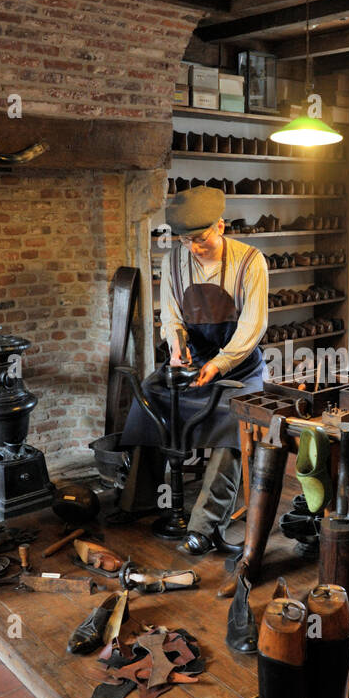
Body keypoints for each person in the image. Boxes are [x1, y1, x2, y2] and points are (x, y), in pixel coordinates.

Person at [118, 186, 269, 555]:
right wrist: (176, 347)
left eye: (200, 239)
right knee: (149, 400)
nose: (193, 248)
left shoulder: (250, 262)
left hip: (239, 367)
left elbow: (253, 326)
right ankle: (141, 502)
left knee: (236, 420)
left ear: (221, 226)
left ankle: (205, 526)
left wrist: (221, 363)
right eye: (186, 241)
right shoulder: (174, 261)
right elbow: (170, 315)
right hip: (195, 362)